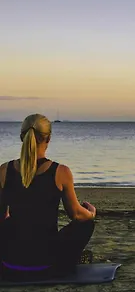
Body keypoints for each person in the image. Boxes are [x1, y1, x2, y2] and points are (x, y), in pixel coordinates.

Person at [0, 113, 96, 281]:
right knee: (86, 223)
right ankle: (68, 261)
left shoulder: (3, 170)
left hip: (10, 263)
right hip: (48, 264)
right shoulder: (61, 172)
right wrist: (91, 213)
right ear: (48, 138)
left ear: (22, 137)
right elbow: (76, 214)